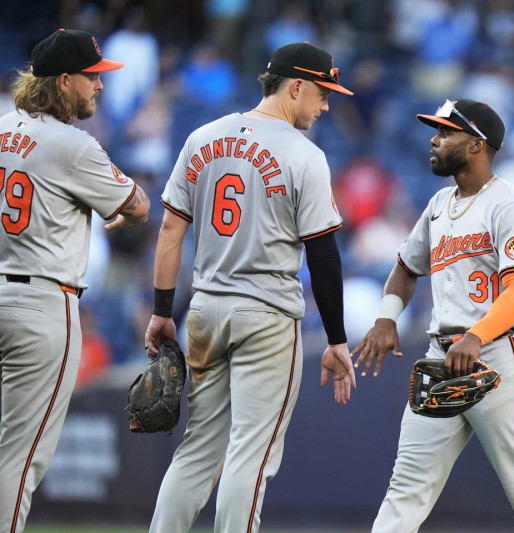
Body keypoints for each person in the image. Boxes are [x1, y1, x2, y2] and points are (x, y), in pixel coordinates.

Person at [143, 41, 356, 532]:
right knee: (251, 455)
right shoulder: (304, 155)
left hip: (204, 311)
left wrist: (161, 311)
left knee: (197, 449)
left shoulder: (203, 138)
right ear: (296, 85)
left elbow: (171, 230)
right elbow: (322, 255)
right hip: (266, 316)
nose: (325, 106)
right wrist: (338, 338)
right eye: (322, 94)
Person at [352, 98, 514, 532]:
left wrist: (478, 335)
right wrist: (387, 318)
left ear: (476, 145)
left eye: (446, 132)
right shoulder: (437, 205)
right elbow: (405, 270)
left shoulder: (511, 206)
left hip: (498, 356)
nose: (434, 140)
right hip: (442, 356)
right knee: (406, 486)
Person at [0, 29, 151, 532]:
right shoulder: (73, 144)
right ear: (65, 82)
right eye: (92, 78)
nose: (99, 87)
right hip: (40, 305)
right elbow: (138, 204)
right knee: (20, 457)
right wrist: (127, 217)